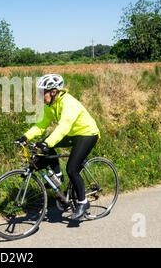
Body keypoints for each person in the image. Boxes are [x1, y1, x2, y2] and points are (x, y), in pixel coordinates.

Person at [16, 74, 100, 220]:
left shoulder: (69, 103)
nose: (41, 95)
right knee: (43, 146)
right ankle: (58, 176)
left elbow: (63, 127)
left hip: (87, 134)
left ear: (53, 92)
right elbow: (41, 125)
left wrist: (48, 142)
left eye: (43, 92)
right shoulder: (50, 105)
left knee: (72, 169)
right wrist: (25, 137)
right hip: (73, 134)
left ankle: (83, 203)